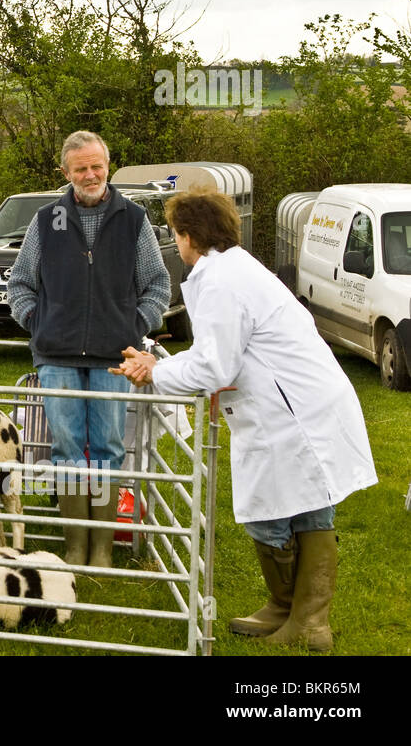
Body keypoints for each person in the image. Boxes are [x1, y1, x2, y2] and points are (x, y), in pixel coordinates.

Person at [112, 189, 376, 652]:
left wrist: (156, 370)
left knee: (289, 510)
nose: (178, 243)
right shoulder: (232, 269)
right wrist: (172, 369)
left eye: (176, 235)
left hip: (294, 412)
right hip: (292, 403)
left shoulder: (221, 280)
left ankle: (310, 621)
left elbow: (216, 365)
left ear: (188, 235)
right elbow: (222, 351)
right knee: (291, 506)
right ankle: (286, 607)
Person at [7, 130, 170, 568]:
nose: (90, 174)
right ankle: (75, 546)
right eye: (80, 168)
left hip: (114, 358)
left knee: (108, 448)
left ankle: (101, 549)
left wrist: (136, 325)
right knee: (65, 446)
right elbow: (19, 283)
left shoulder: (133, 219)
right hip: (56, 354)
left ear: (108, 165)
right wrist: (36, 322)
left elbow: (158, 284)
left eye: (97, 165)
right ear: (66, 172)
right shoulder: (46, 220)